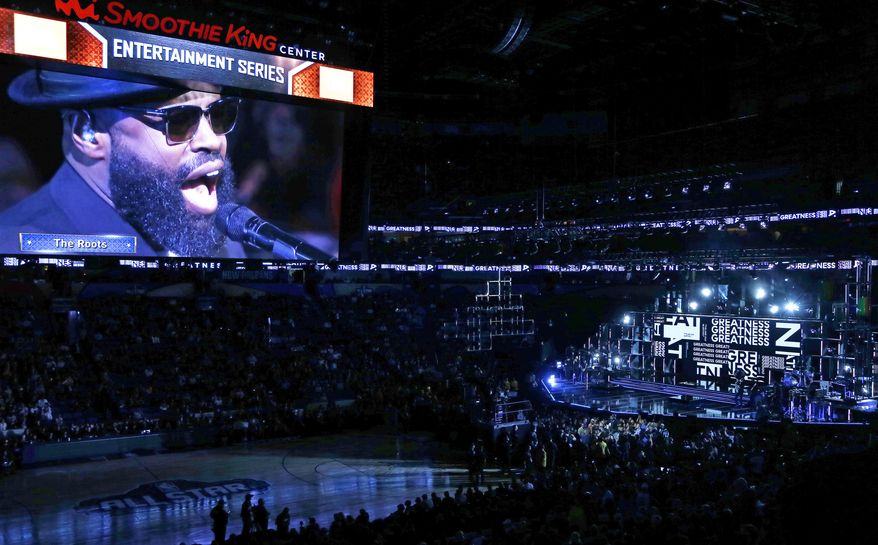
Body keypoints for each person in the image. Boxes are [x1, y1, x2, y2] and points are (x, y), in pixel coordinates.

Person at [0, 68, 246, 258]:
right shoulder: (17, 247)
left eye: (220, 114)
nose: (212, 141)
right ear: (87, 133)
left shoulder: (225, 244)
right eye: (179, 120)